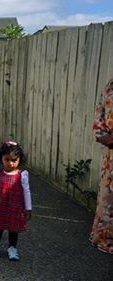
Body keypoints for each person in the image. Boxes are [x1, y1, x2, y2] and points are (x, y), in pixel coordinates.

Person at [0, 141, 32, 261]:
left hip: (15, 207)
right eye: (7, 159)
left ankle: (12, 248)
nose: (11, 163)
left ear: (19, 160)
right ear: (1, 159)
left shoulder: (22, 175)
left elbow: (27, 191)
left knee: (13, 228)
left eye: (14, 160)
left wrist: (28, 208)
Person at [91, 77, 113, 254]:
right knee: (108, 199)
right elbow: (100, 113)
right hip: (112, 155)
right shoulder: (111, 84)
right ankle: (106, 238)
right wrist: (102, 135)